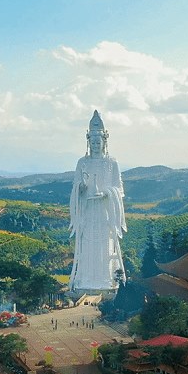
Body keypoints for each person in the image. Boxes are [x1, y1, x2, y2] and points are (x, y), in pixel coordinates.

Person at [69, 110, 127, 291]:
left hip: (104, 211)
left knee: (104, 245)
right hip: (88, 211)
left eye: (98, 141)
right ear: (88, 142)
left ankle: (106, 280)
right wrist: (81, 187)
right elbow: (75, 187)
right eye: (92, 142)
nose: (95, 145)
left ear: (104, 142)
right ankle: (85, 280)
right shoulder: (82, 163)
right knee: (87, 247)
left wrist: (108, 194)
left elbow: (119, 188)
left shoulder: (112, 163)